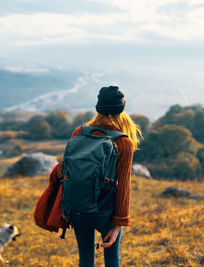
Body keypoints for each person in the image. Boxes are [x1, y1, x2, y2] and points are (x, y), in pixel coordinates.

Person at [66, 85, 141, 267]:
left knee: (85, 258)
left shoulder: (79, 133)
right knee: (111, 258)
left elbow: (67, 171)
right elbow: (123, 186)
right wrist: (118, 223)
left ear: (98, 108)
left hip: (77, 208)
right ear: (121, 110)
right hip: (104, 211)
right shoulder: (123, 142)